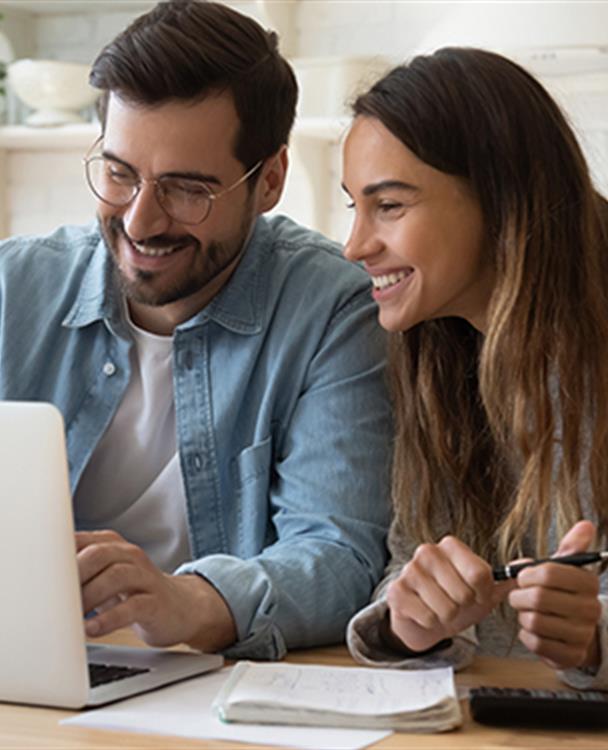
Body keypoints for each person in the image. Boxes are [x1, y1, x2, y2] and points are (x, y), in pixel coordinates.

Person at [0, 0, 392, 660]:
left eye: (186, 190)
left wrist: (188, 602)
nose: (140, 222)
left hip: (212, 689)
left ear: (269, 180)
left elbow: (340, 555)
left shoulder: (332, 311)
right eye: (120, 174)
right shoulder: (15, 288)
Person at [342, 47, 608, 689]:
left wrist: (596, 638)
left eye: (391, 206)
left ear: (499, 198)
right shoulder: (435, 353)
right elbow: (410, 560)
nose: (354, 246)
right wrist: (409, 623)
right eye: (355, 205)